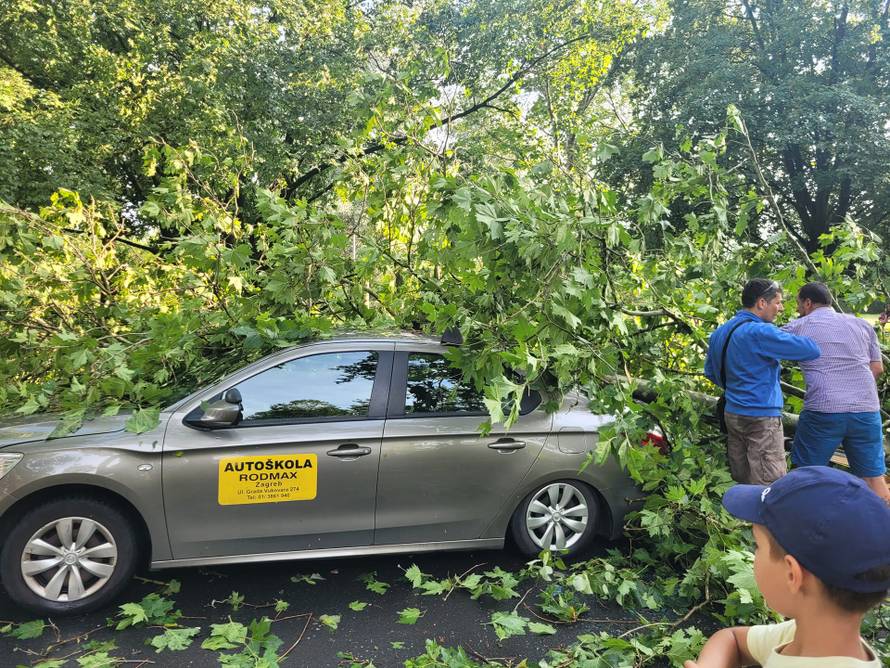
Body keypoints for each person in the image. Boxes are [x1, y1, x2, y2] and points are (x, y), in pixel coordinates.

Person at [684, 466, 890, 667]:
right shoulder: (804, 634)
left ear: (792, 574)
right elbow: (732, 639)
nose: (754, 552)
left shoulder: (804, 637)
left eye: (758, 545)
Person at [780, 282, 889, 501]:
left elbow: (764, 345)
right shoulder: (862, 325)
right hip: (866, 409)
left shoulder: (799, 326)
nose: (797, 310)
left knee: (806, 475)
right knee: (873, 478)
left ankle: (806, 530)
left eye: (798, 305)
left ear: (808, 303)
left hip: (824, 408)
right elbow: (877, 368)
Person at [705, 279, 820, 484]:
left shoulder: (720, 332)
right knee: (770, 482)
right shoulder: (761, 331)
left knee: (742, 478)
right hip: (761, 417)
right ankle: (765, 516)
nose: (781, 308)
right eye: (777, 302)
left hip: (732, 413)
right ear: (761, 303)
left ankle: (744, 514)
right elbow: (811, 350)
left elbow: (711, 373)